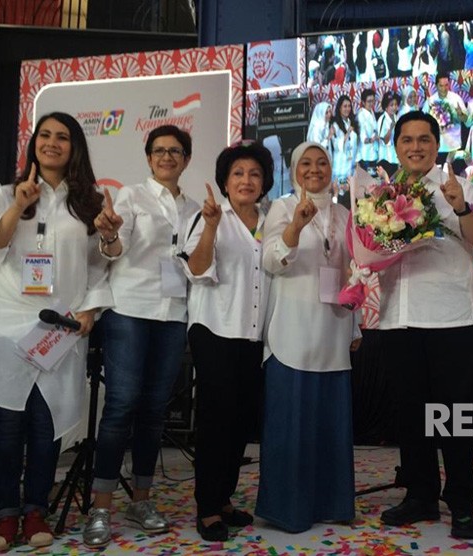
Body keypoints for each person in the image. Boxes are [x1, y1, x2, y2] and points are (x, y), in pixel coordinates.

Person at [0, 112, 111, 552]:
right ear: (34, 143)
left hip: (59, 326)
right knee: (7, 425)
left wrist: (90, 308)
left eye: (63, 137)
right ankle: (5, 516)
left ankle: (36, 509)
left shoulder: (90, 200)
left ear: (75, 148)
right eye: (45, 135)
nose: (52, 143)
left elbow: (101, 261)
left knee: (44, 422)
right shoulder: (4, 194)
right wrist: (18, 204)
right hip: (6, 323)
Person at [377, 111, 473, 540]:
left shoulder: (459, 188)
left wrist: (458, 206)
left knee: (455, 415)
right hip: (397, 316)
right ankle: (421, 494)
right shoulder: (382, 194)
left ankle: (462, 501)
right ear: (396, 147)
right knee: (411, 414)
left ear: (436, 143)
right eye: (406, 139)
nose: (415, 147)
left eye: (424, 139)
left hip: (450, 318)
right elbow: (371, 247)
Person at [82, 125, 199, 547]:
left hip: (173, 314)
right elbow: (113, 250)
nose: (167, 157)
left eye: (176, 151)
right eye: (159, 151)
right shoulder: (130, 196)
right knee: (121, 406)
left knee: (154, 410)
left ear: (186, 159)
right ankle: (101, 508)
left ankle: (142, 499)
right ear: (149, 158)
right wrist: (111, 233)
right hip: (130, 310)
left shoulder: (196, 208)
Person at [256, 142, 360, 533]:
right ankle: (288, 508)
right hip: (292, 329)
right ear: (296, 170)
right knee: (291, 423)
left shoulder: (346, 214)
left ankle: (331, 503)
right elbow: (271, 262)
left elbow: (354, 273)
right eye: (306, 163)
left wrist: (356, 324)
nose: (315, 169)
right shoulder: (281, 208)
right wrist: (297, 224)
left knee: (328, 424)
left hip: (333, 327)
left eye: (322, 163)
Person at [183, 141, 274, 542]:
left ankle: (223, 499)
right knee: (216, 421)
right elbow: (198, 269)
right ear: (224, 180)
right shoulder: (207, 217)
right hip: (215, 330)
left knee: (240, 422)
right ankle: (206, 507)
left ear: (265, 181)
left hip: (254, 335)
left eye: (254, 174)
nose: (246, 180)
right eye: (238, 173)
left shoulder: (272, 221)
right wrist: (212, 227)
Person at [422, 74, 468, 163]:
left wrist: (460, 114)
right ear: (436, 86)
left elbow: (465, 120)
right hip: (436, 147)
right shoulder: (431, 100)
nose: (444, 88)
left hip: (454, 145)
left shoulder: (456, 99)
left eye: (446, 85)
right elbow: (422, 121)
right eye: (441, 86)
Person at [330, 95, 358, 184]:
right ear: (339, 108)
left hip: (351, 163)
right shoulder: (335, 125)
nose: (347, 109)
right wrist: (348, 133)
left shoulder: (351, 122)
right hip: (340, 164)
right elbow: (337, 145)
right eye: (345, 106)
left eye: (349, 106)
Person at [377, 91, 400, 176]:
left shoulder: (395, 117)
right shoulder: (382, 119)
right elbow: (384, 141)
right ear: (386, 107)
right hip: (385, 159)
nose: (394, 107)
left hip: (394, 157)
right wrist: (390, 129)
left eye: (395, 104)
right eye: (391, 105)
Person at [356, 89, 379, 174]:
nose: (371, 104)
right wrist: (372, 139)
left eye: (373, 101)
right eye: (369, 101)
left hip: (373, 152)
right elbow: (363, 138)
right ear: (363, 102)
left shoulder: (371, 112)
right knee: (368, 181)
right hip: (366, 155)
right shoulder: (361, 115)